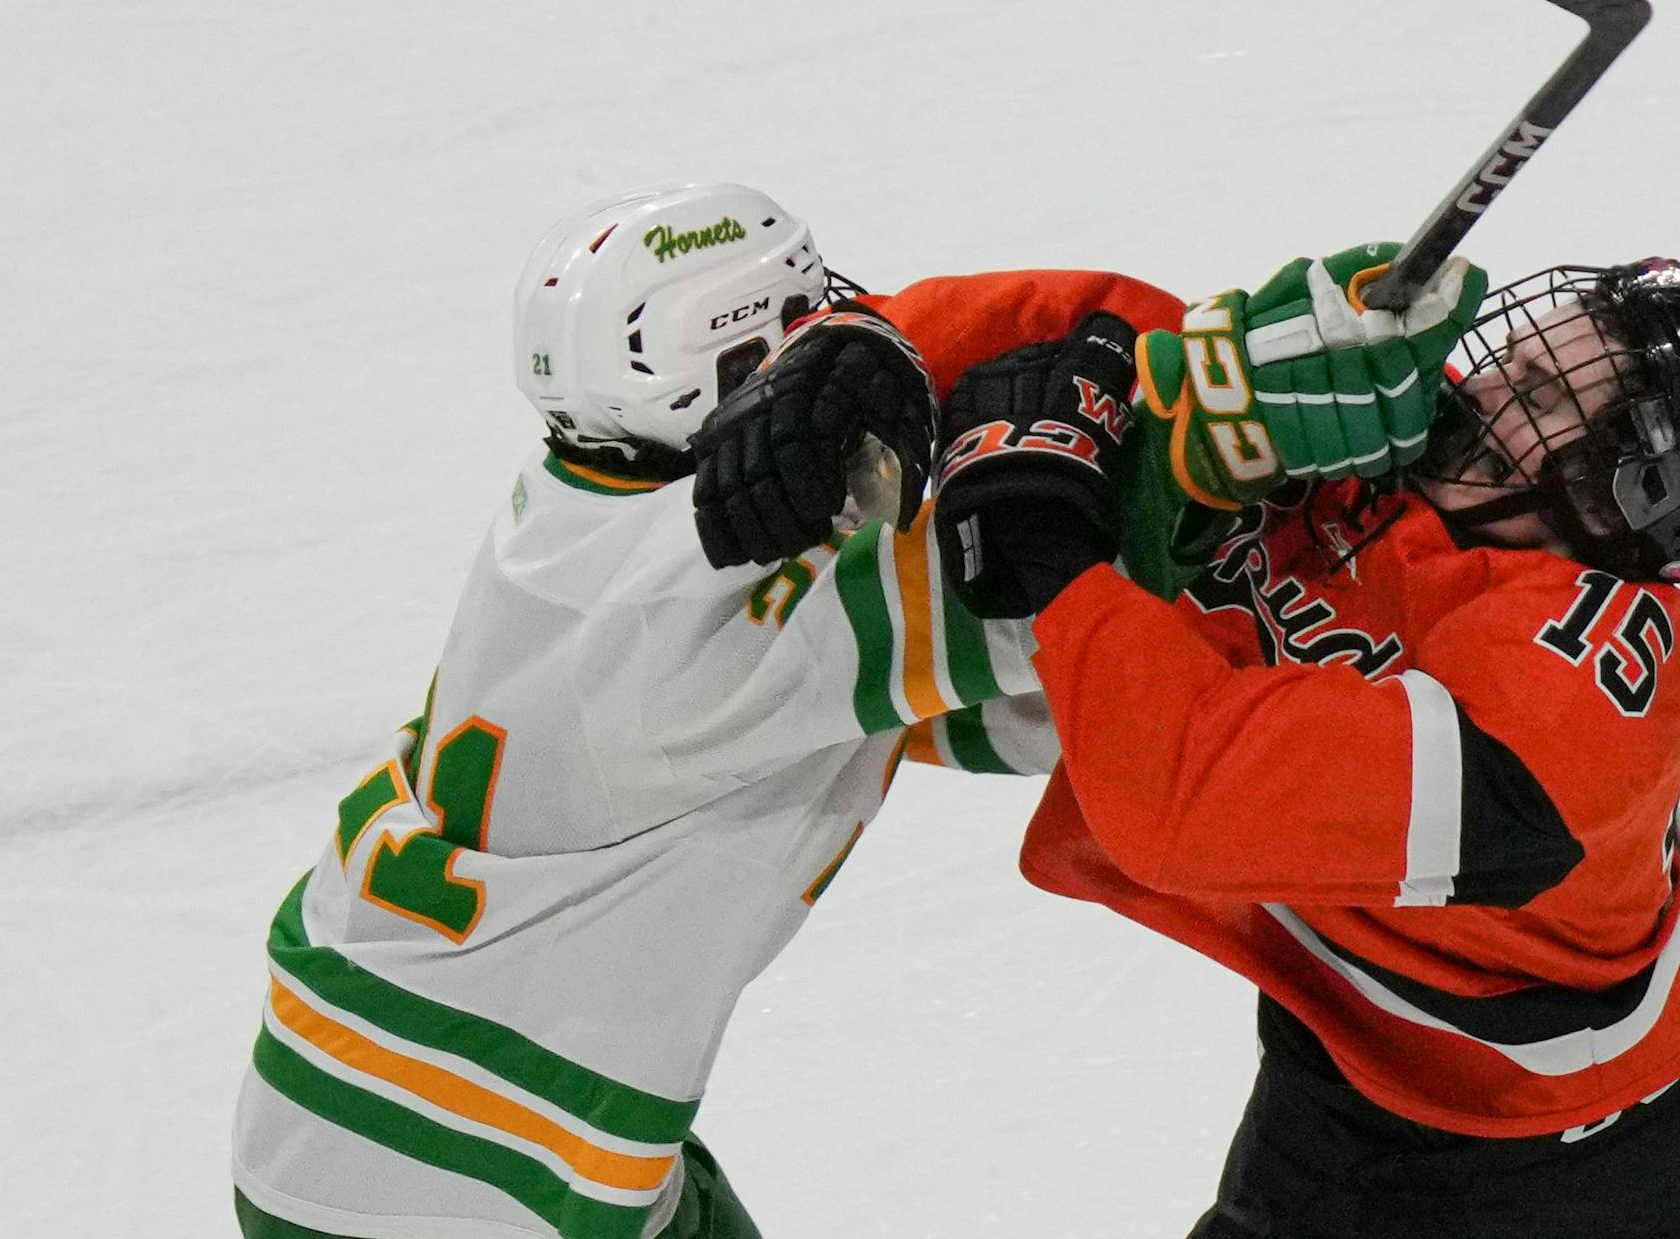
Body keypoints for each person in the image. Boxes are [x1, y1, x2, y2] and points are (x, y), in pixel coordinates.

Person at [228, 182, 1192, 1239]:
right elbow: (1030, 587)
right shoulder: (707, 613)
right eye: (803, 323)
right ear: (731, 367)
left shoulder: (585, 516)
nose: (839, 334)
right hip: (460, 1172)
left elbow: (963, 711)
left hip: (401, 1101)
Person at [923, 248, 1680, 1238]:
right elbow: (1109, 324)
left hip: (1605, 1173)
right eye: (1511, 354)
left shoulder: (1580, 691)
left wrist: (1060, 560)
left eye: (1530, 386)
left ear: (1619, 493)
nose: (1473, 383)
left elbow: (1180, 796)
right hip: (1357, 1065)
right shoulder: (1424, 457)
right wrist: (1241, 358)